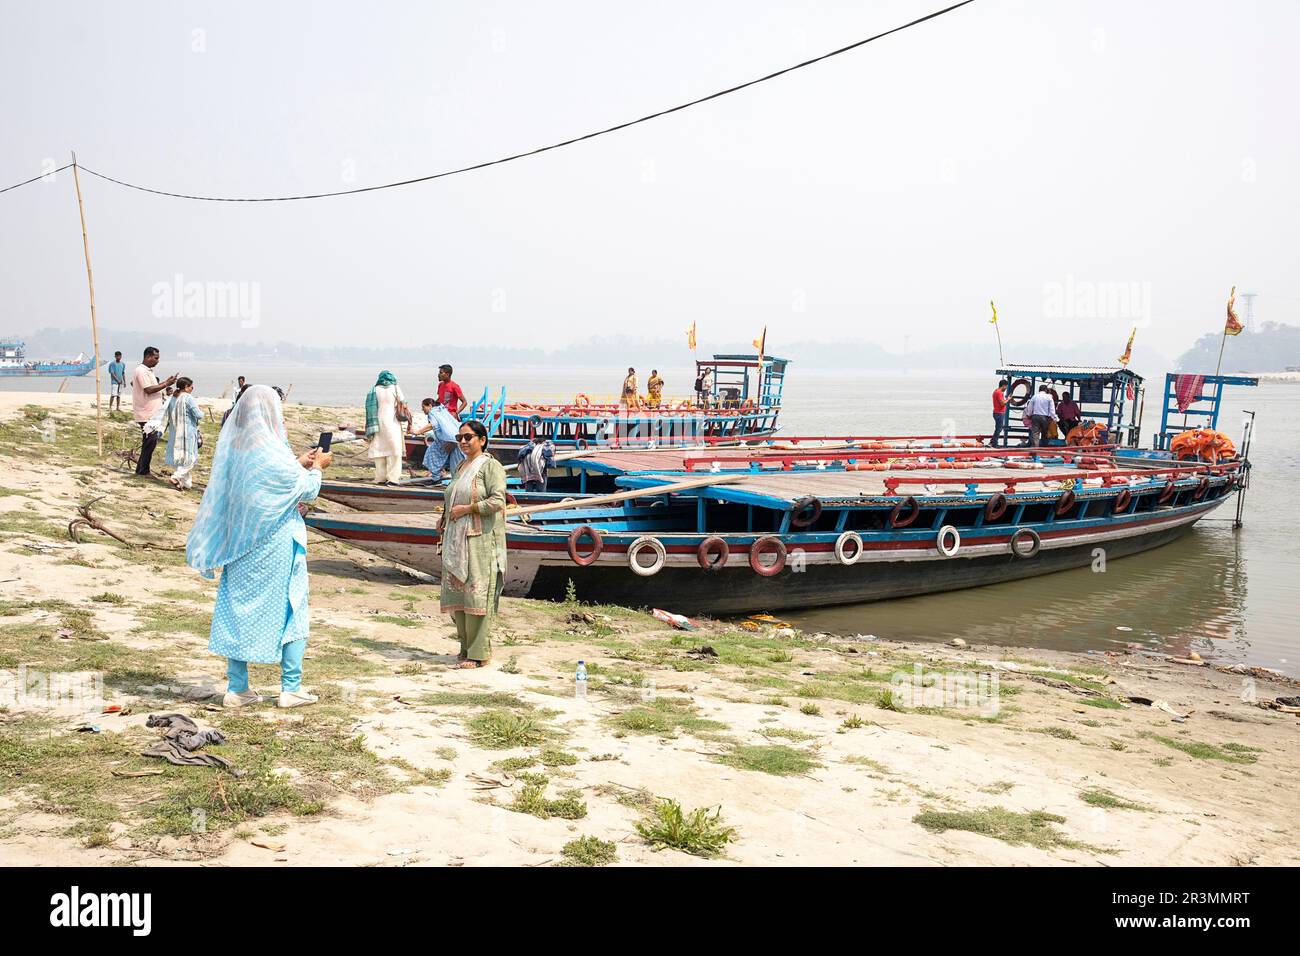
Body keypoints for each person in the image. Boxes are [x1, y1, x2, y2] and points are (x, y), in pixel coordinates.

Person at [187, 385, 333, 708]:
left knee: (237, 608)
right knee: (293, 606)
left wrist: (297, 462)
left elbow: (264, 484)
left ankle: (238, 688)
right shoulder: (271, 450)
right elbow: (306, 490)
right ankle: (290, 687)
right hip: (276, 543)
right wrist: (318, 467)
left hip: (241, 543)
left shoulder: (237, 450)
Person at [439, 420, 506, 669]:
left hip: (480, 541)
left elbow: (497, 501)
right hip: (457, 539)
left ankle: (479, 654)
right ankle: (465, 648)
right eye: (460, 438)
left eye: (468, 437)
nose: (463, 442)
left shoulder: (490, 467)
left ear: (482, 440)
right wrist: (444, 518)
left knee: (477, 596)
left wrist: (466, 509)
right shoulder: (461, 466)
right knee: (459, 594)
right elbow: (452, 498)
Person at [132, 347, 176, 477]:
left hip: (153, 413)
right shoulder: (141, 371)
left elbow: (153, 387)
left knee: (148, 442)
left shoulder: (148, 371)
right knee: (149, 442)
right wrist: (166, 384)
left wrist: (166, 383)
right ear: (148, 357)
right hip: (146, 413)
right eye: (156, 358)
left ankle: (141, 469)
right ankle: (144, 471)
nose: (157, 361)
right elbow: (149, 389)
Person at [365, 370, 406, 484]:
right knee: (394, 451)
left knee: (379, 450)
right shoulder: (395, 388)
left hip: (377, 423)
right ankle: (393, 478)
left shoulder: (374, 390)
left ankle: (380, 478)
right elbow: (403, 402)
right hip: (392, 423)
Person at [163, 376, 204, 490]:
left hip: (177, 430)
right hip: (188, 431)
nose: (192, 388)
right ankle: (176, 477)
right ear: (186, 387)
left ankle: (186, 484)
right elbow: (198, 415)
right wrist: (201, 410)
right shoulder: (188, 398)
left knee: (182, 458)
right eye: (191, 386)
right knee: (190, 458)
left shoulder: (175, 397)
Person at [409, 397, 465, 479]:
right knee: (455, 461)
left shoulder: (432, 413)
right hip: (457, 437)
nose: (422, 409)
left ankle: (436, 477)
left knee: (431, 453)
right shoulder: (441, 410)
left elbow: (433, 425)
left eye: (423, 407)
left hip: (448, 439)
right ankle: (448, 476)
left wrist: (418, 432)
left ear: (430, 406)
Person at [990, 379, 1009, 447]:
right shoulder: (999, 393)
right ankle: (994, 444)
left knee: (997, 428)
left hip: (996, 412)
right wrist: (1008, 399)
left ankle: (992, 441)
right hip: (999, 413)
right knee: (999, 429)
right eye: (1006, 386)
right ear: (1003, 386)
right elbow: (1002, 403)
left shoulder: (995, 391)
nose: (1006, 388)